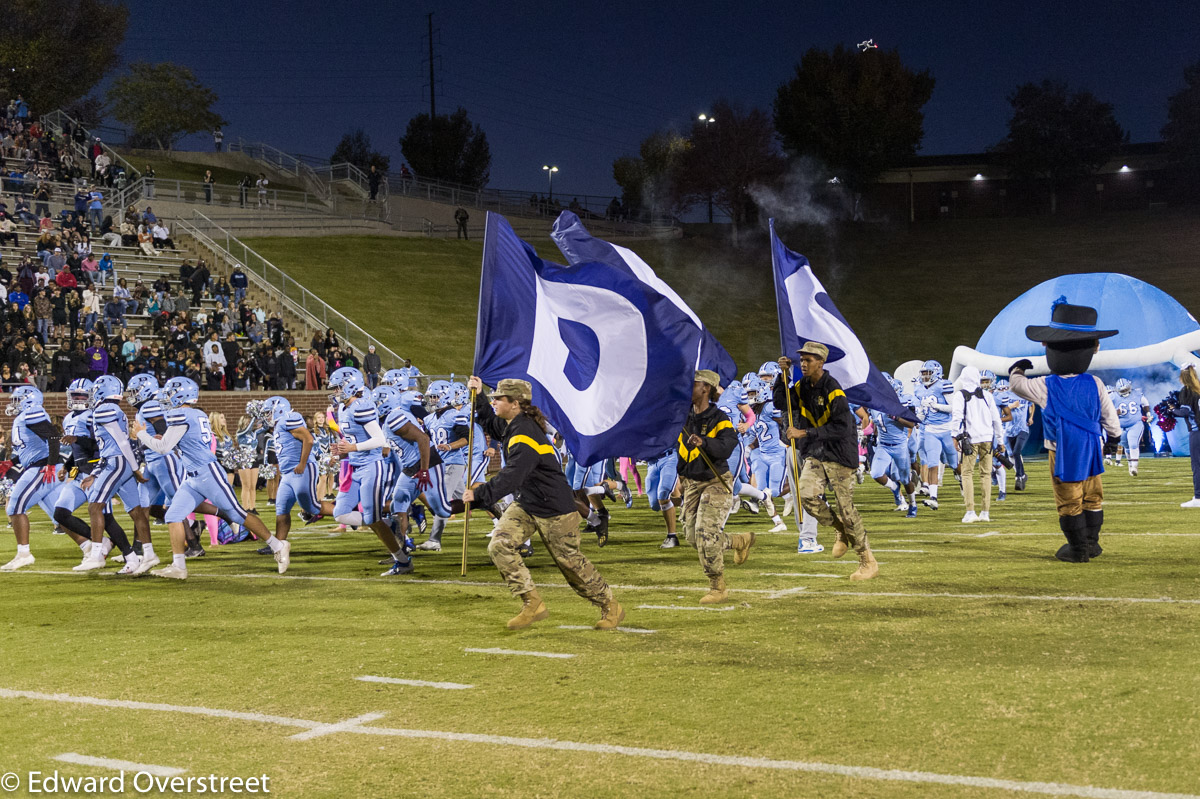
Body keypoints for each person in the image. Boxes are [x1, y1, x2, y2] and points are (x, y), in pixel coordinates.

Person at [465, 375, 624, 630]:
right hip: (528, 503)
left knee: (570, 564)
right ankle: (532, 603)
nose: (494, 402)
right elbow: (492, 423)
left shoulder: (525, 432)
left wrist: (480, 495)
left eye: (498, 399)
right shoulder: (514, 424)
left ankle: (610, 605)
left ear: (515, 403)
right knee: (499, 544)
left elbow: (513, 474)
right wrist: (479, 396)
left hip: (554, 508)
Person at [1009, 299, 1121, 563]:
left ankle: (1079, 550)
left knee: (1069, 499)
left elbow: (1016, 384)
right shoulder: (1095, 383)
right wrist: (1113, 442)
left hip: (1061, 450)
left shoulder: (1046, 385)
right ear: (1092, 348)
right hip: (1092, 447)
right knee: (1093, 496)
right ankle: (1092, 544)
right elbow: (1111, 420)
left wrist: (1019, 367)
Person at [776, 342, 878, 580]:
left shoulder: (833, 389)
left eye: (808, 360)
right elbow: (783, 403)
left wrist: (805, 433)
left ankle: (867, 561)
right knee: (806, 495)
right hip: (816, 452)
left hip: (840, 454)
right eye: (801, 359)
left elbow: (842, 428)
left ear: (820, 363)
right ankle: (839, 529)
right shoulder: (803, 385)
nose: (803, 363)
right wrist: (782, 378)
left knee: (846, 507)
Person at [674, 369, 755, 602]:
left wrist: (704, 441)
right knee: (692, 537)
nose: (689, 387)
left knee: (706, 535)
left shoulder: (719, 418)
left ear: (705, 388)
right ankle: (738, 541)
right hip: (691, 482)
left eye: (694, 384)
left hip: (715, 481)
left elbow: (726, 447)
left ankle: (717, 586)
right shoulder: (684, 415)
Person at [0, 387, 61, 571]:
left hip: (41, 466)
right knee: (61, 516)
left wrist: (50, 464)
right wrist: (11, 462)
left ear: (28, 401)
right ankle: (93, 546)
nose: (14, 403)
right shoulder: (23, 417)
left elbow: (53, 436)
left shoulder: (32, 412)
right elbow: (31, 448)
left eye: (18, 400)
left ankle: (24, 554)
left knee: (15, 507)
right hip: (38, 464)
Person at [950, 366, 1005, 524]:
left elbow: (957, 417)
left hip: (970, 439)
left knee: (967, 474)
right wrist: (1000, 440)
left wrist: (954, 435)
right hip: (987, 439)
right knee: (985, 475)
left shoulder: (960, 395)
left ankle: (970, 511)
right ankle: (985, 512)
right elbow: (996, 419)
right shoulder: (987, 395)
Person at [1176, 364, 1200, 508]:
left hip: (1197, 432)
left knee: (1197, 465)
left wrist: (1171, 410)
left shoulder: (1187, 391)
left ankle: (1198, 497)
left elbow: (1185, 412)